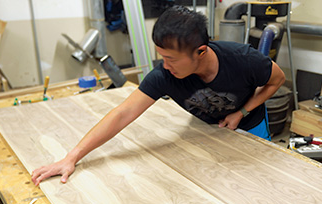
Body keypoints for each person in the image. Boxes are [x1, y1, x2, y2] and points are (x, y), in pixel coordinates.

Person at [31, 5, 286, 185]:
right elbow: (122, 114)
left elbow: (277, 80)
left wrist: (241, 112)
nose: (165, 65)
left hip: (249, 127)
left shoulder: (242, 59)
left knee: (259, 183)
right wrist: (71, 157)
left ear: (200, 52)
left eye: (171, 58)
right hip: (207, 132)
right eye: (161, 56)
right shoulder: (165, 75)